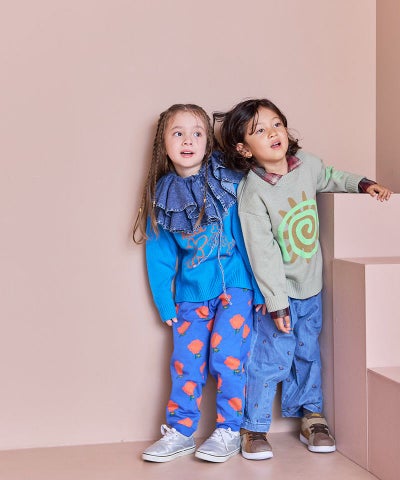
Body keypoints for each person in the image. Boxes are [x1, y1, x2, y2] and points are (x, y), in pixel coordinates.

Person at [214, 98, 393, 460]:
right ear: (244, 149)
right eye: (260, 131)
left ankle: (311, 416)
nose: (273, 133)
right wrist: (277, 302)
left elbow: (331, 176)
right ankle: (254, 426)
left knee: (308, 353)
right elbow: (262, 252)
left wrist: (362, 184)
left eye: (276, 124)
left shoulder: (306, 165)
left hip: (311, 288)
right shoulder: (253, 192)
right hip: (278, 294)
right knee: (270, 358)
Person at [133, 104, 262, 463]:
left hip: (235, 289)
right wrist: (165, 301)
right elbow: (159, 254)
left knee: (226, 357)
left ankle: (228, 430)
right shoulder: (162, 193)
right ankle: (181, 431)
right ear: (164, 143)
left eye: (197, 133)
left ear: (208, 142)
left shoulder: (224, 179)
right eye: (178, 133)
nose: (188, 141)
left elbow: (246, 235)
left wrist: (257, 287)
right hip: (190, 296)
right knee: (185, 365)